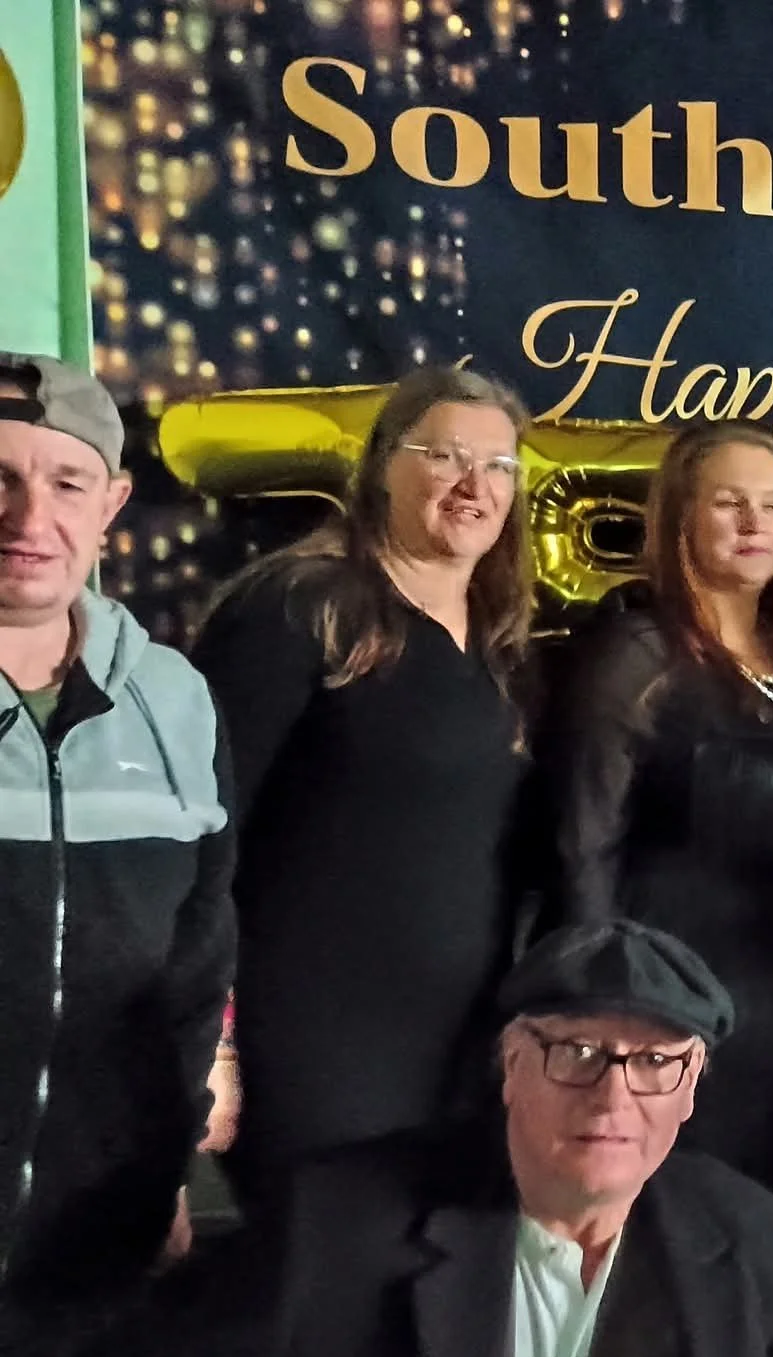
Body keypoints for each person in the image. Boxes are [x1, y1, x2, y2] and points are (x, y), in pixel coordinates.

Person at [0, 918, 773, 1357]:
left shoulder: (755, 1248)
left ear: (694, 1085)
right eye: (577, 1053)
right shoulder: (336, 1230)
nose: (613, 1097)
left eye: (655, 1063)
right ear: (510, 1066)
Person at [191, 365, 534, 1210]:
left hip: (461, 1050)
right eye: (446, 456)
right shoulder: (302, 607)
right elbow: (199, 837)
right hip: (315, 1046)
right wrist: (212, 1039)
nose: (474, 485)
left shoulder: (500, 639)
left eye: (499, 466)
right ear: (383, 464)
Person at [553, 420, 773, 1247]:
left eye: (772, 504)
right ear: (679, 520)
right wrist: (608, 1020)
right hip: (688, 1017)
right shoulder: (639, 654)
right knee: (696, 1249)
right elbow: (579, 847)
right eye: (730, 504)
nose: (754, 523)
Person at [0, 353, 232, 1335]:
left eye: (65, 483)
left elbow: (196, 954)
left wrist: (164, 1169)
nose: (28, 519)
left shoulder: (173, 695)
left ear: (113, 503)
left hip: (101, 1231)